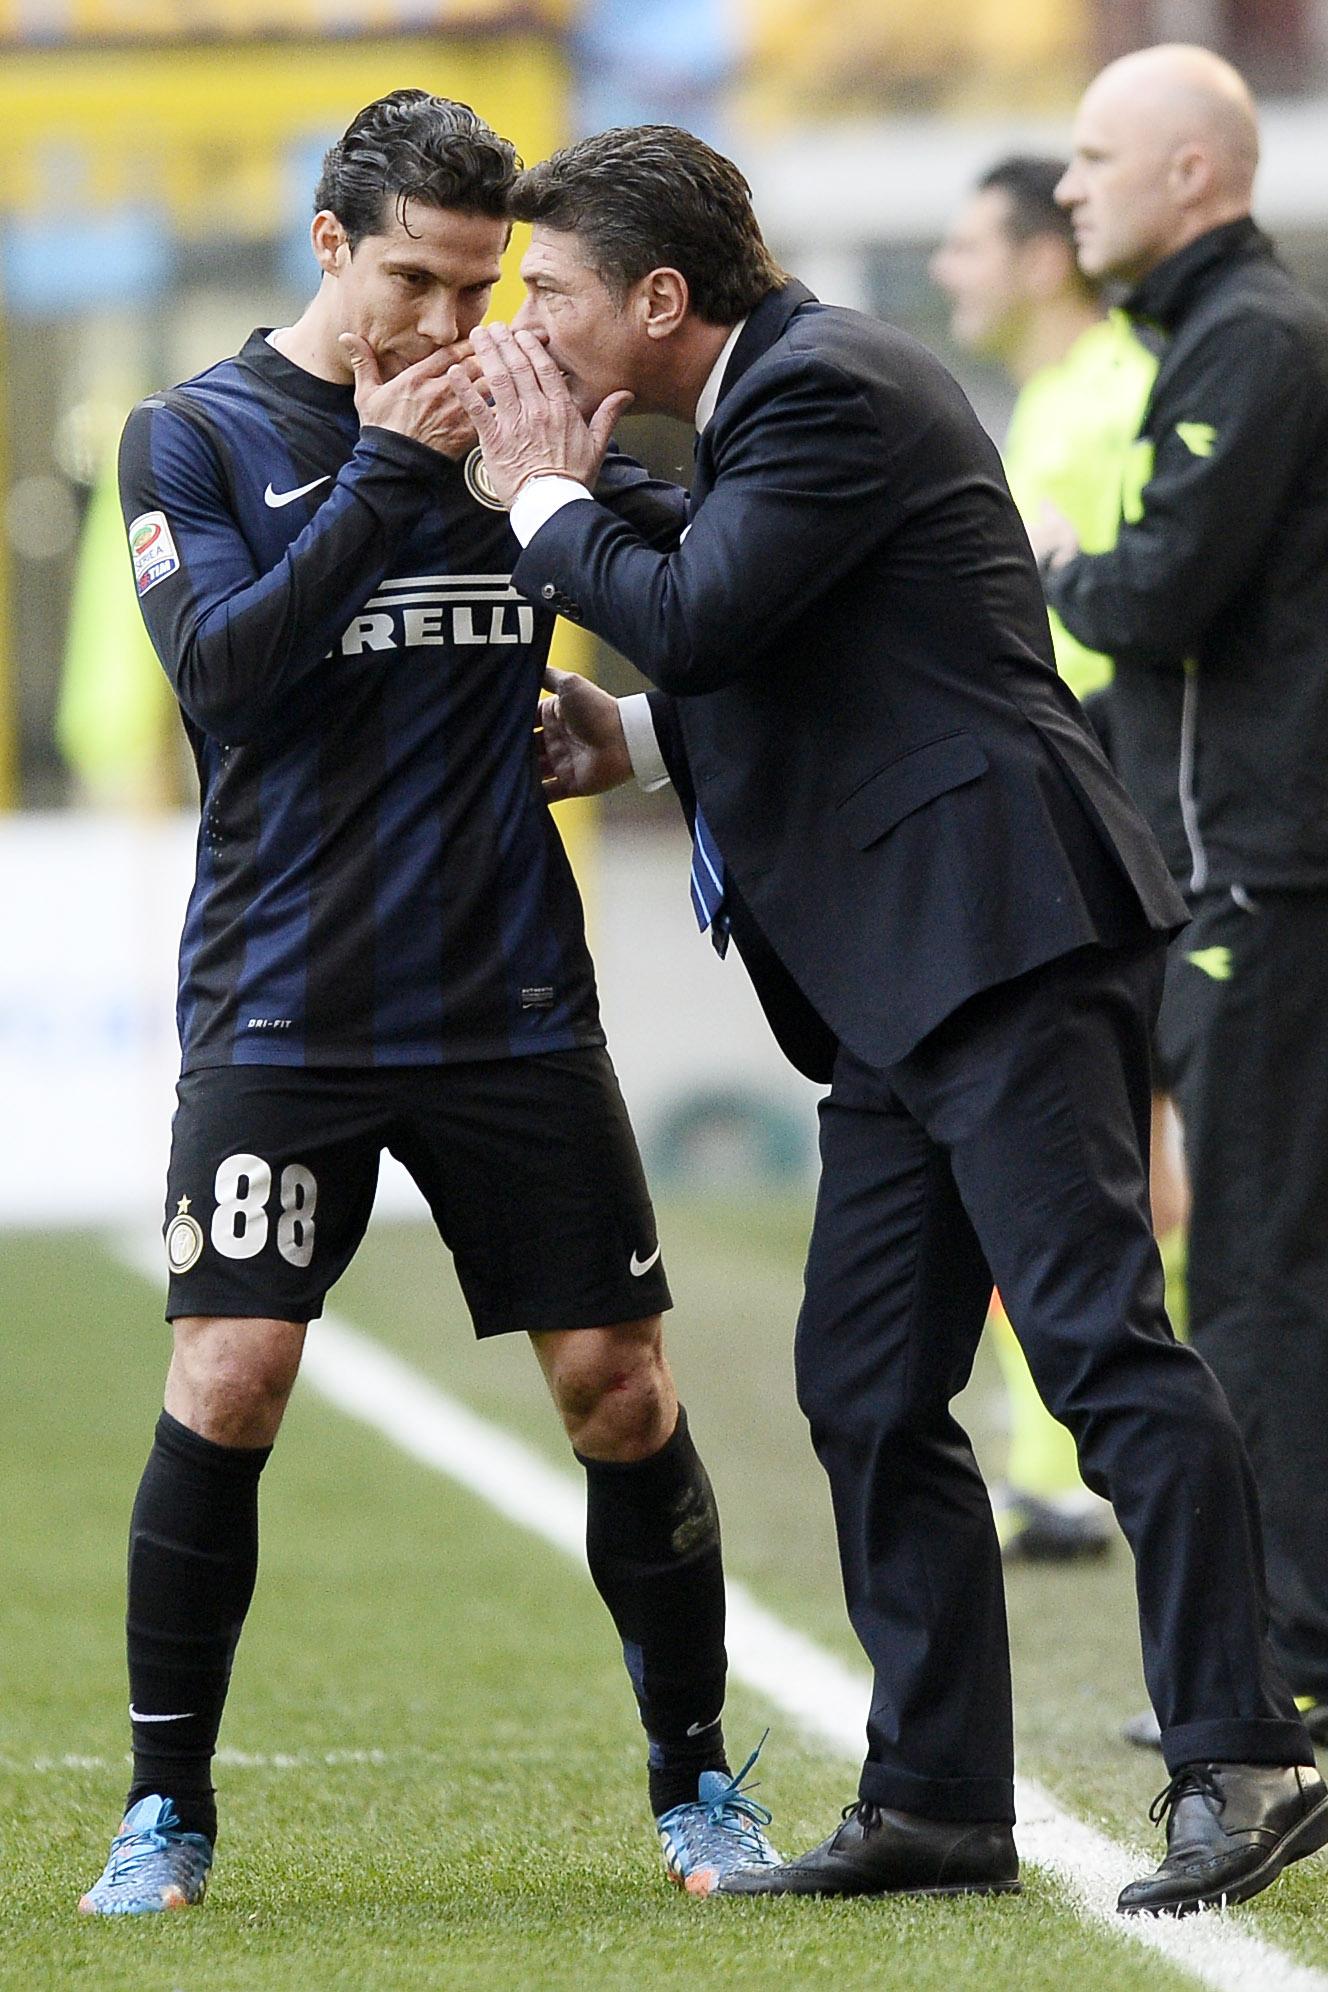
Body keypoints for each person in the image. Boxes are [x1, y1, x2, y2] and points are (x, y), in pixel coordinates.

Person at [446, 121, 1328, 1916]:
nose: (530, 327)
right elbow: (800, 653)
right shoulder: (780, 400)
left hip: (998, 940)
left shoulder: (831, 385)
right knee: (864, 1383)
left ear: (663, 298)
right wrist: (627, 734)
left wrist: (543, 496)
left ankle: (1245, 1753)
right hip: (906, 977)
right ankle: (937, 1800)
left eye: (553, 291)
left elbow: (701, 607)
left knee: (1096, 1350)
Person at [77, 90, 780, 1919]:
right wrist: (393, 468)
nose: (452, 332)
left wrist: (633, 717)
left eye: (482, 290)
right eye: (415, 281)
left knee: (620, 1392)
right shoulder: (199, 435)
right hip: (284, 1000)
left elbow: (721, 585)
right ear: (330, 247)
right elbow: (230, 682)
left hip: (510, 993)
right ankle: (167, 1809)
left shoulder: (522, 419)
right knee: (230, 1378)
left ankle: (697, 1781)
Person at [1032, 43, 1328, 1756]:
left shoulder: (1255, 340)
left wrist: (1065, 562)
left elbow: (1159, 595)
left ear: (1197, 176)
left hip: (1264, 879)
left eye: (1092, 157)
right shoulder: (1213, 337)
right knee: (1272, 1260)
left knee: (1262, 1272)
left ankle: (1286, 1649)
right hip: (1252, 870)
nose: (1070, 188)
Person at [931, 155, 1164, 1562]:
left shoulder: (1126, 392)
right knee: (1081, 1152)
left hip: (1115, 779)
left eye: (965, 243)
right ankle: (1062, 1461)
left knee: (1138, 1155)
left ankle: (1112, 1459)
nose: (948, 269)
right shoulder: (1044, 402)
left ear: (1036, 259)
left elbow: (1157, 599)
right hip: (1062, 780)